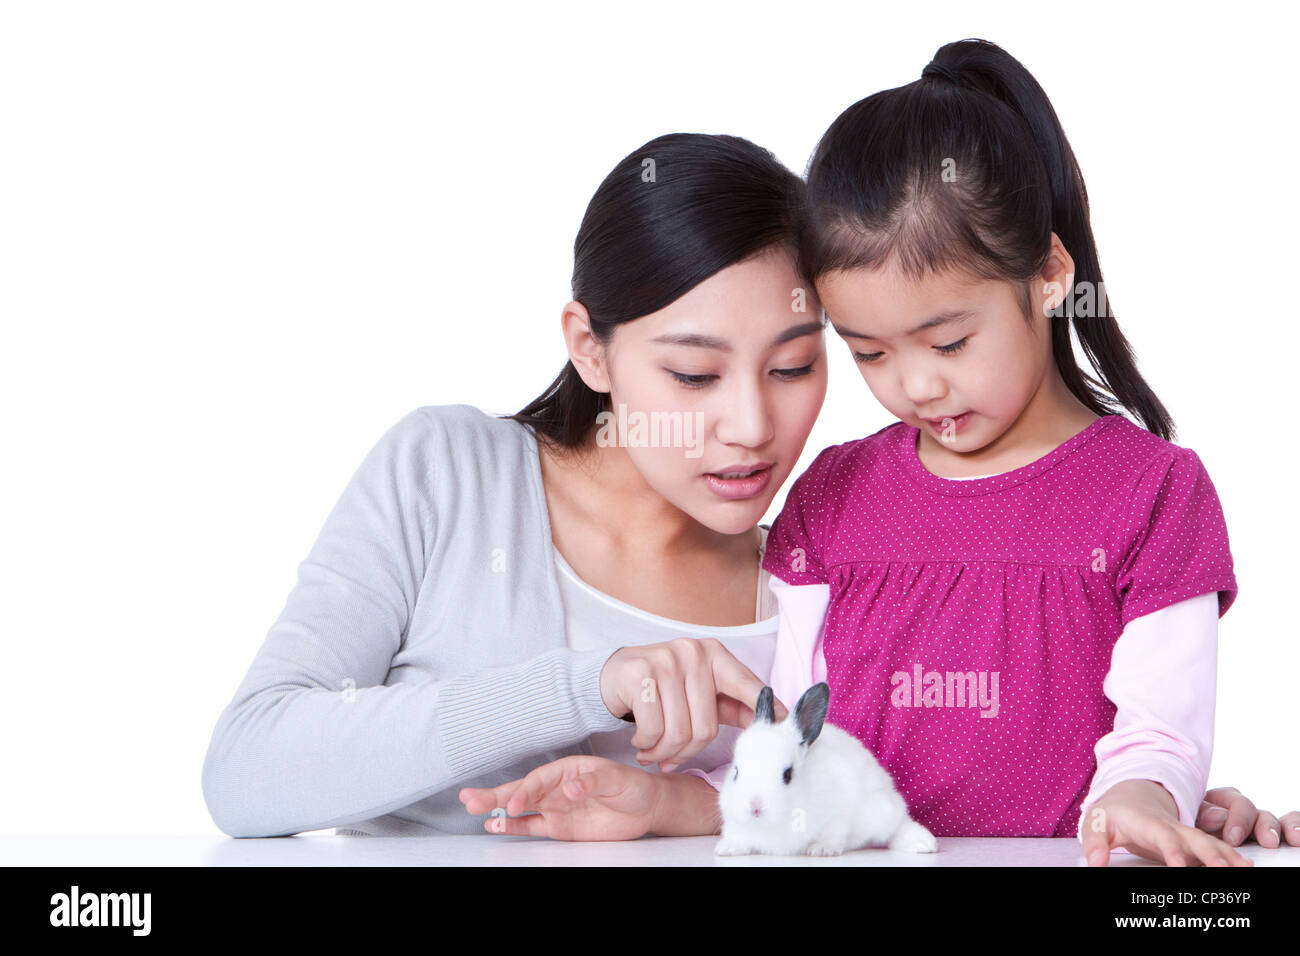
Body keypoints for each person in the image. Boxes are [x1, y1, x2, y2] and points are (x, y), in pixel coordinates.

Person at [463, 43, 1297, 864]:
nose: (917, 387)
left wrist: (1140, 801)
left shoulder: (1152, 493)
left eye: (949, 340)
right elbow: (788, 744)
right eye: (870, 353)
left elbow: (1161, 729)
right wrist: (659, 802)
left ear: (1048, 276)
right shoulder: (832, 499)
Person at [200, 132, 823, 838]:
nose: (750, 425)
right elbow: (244, 769)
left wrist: (684, 807)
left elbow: (874, 813)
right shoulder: (450, 476)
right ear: (590, 349)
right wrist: (587, 686)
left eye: (794, 366)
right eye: (693, 375)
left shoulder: (813, 581)